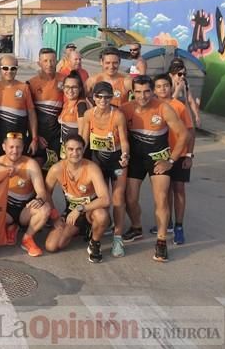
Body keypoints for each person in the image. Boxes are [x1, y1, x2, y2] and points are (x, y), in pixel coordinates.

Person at [122, 75, 187, 262]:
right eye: (138, 92)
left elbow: (183, 135)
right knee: (130, 198)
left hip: (159, 159)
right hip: (136, 159)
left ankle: (161, 241)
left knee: (161, 199)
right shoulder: (126, 109)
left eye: (147, 91)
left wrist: (171, 161)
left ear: (153, 91)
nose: (142, 96)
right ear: (133, 92)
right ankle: (136, 227)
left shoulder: (163, 108)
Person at [80, 81, 130, 257]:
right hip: (97, 160)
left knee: (117, 199)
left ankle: (118, 238)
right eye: (99, 96)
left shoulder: (117, 115)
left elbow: (124, 140)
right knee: (96, 197)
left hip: (116, 161)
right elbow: (84, 139)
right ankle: (95, 227)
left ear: (112, 97)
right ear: (93, 97)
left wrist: (125, 155)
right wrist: (76, 156)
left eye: (107, 97)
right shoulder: (88, 114)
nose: (103, 100)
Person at [44, 135, 111, 263]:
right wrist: (55, 216)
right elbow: (46, 193)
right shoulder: (56, 169)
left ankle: (95, 243)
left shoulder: (92, 168)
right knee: (52, 246)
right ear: (64, 150)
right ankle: (82, 229)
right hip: (71, 211)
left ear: (83, 149)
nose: (75, 153)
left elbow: (105, 199)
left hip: (91, 209)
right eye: (71, 149)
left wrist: (80, 209)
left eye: (78, 149)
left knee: (101, 215)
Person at [0, 132, 51, 257]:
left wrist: (39, 200)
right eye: (11, 147)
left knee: (45, 209)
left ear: (23, 147)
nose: (15, 151)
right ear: (4, 147)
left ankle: (27, 238)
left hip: (25, 211)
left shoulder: (31, 164)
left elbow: (41, 192)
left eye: (18, 147)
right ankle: (10, 226)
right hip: (5, 210)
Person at [153, 73, 195, 245]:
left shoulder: (179, 106)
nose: (163, 89)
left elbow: (190, 132)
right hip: (162, 155)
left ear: (171, 87)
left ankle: (179, 226)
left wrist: (189, 155)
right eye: (159, 86)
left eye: (166, 85)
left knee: (178, 189)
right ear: (154, 90)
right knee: (165, 191)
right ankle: (167, 222)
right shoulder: (152, 106)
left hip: (179, 155)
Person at [0, 55, 38, 158]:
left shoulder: (24, 88)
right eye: (5, 68)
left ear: (17, 69)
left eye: (13, 68)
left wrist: (34, 138)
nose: (9, 71)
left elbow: (31, 115)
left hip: (17, 142)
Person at [27, 48, 65, 170]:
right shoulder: (31, 83)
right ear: (39, 63)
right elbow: (28, 113)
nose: (49, 64)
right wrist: (36, 135)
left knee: (53, 172)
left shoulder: (65, 80)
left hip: (57, 135)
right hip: (39, 134)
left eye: (52, 60)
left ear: (57, 61)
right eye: (45, 61)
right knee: (35, 170)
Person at [57, 70, 89, 157]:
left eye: (74, 87)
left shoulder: (81, 105)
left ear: (80, 88)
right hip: (66, 148)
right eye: (67, 87)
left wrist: (77, 154)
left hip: (75, 153)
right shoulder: (67, 103)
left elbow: (83, 133)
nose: (70, 90)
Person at [168, 58, 200, 127]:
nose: (182, 76)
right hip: (170, 118)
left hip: (181, 117)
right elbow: (169, 103)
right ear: (171, 74)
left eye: (184, 74)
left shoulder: (184, 82)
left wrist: (196, 116)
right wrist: (178, 89)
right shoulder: (167, 84)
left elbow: (190, 100)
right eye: (179, 74)